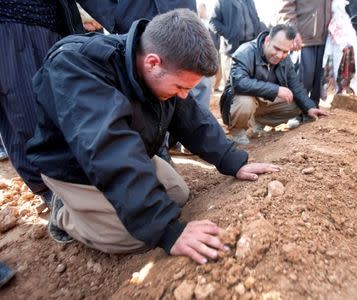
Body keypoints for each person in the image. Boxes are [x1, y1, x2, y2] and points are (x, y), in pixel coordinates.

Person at [26, 9, 279, 264]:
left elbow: (192, 118)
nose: (183, 95)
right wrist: (168, 232)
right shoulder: (77, 66)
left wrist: (233, 160)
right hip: (74, 168)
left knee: (177, 195)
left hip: (128, 150)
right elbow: (109, 148)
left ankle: (103, 210)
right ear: (153, 62)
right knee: (138, 236)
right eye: (181, 87)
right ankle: (64, 214)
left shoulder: (163, 67)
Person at [0, 0, 196, 208]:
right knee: (27, 106)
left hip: (59, 20)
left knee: (174, 194)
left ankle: (112, 173)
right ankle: (56, 194)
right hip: (14, 21)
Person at [220, 24, 329, 145]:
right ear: (267, 40)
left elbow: (295, 86)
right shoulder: (245, 52)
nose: (279, 55)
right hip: (240, 100)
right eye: (276, 49)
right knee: (245, 101)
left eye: (285, 51)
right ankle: (238, 131)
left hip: (263, 100)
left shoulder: (285, 59)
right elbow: (239, 83)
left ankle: (255, 124)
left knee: (297, 103)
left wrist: (310, 107)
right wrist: (276, 90)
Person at [278, 0, 332, 105]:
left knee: (319, 80)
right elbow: (286, 9)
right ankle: (295, 113)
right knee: (303, 79)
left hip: (325, 38)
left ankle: (313, 109)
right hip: (303, 40)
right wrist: (293, 31)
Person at [209, 0, 266, 87]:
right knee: (231, 86)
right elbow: (213, 22)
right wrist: (229, 34)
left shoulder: (249, 1)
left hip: (251, 50)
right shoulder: (222, 2)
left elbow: (256, 20)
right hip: (231, 51)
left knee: (250, 84)